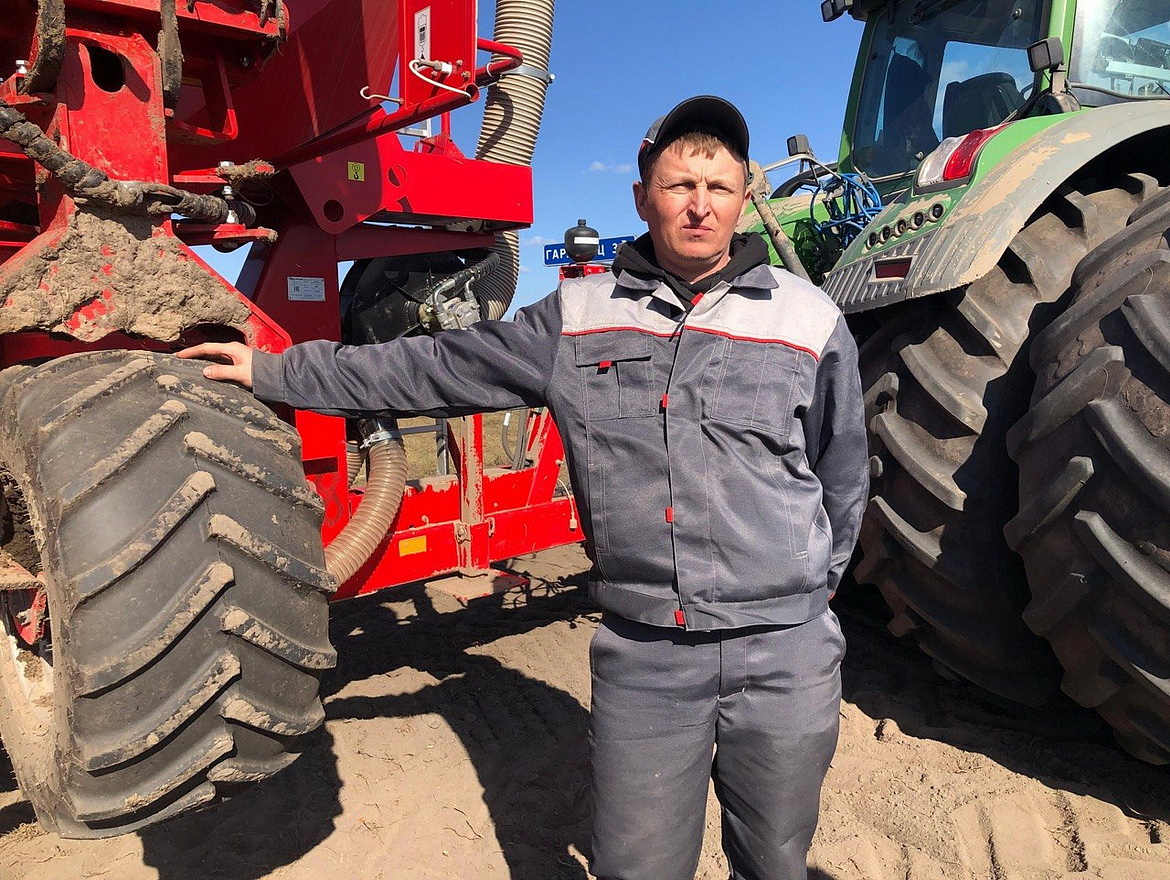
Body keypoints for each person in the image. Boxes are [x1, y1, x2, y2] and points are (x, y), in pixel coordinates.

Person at [179, 95, 869, 880]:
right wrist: (278, 372)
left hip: (785, 651)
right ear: (642, 198)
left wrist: (804, 592)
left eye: (719, 187)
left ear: (745, 197)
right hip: (649, 655)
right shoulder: (577, 316)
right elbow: (432, 366)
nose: (699, 205)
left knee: (776, 859)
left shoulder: (807, 318)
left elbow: (842, 474)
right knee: (637, 866)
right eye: (679, 185)